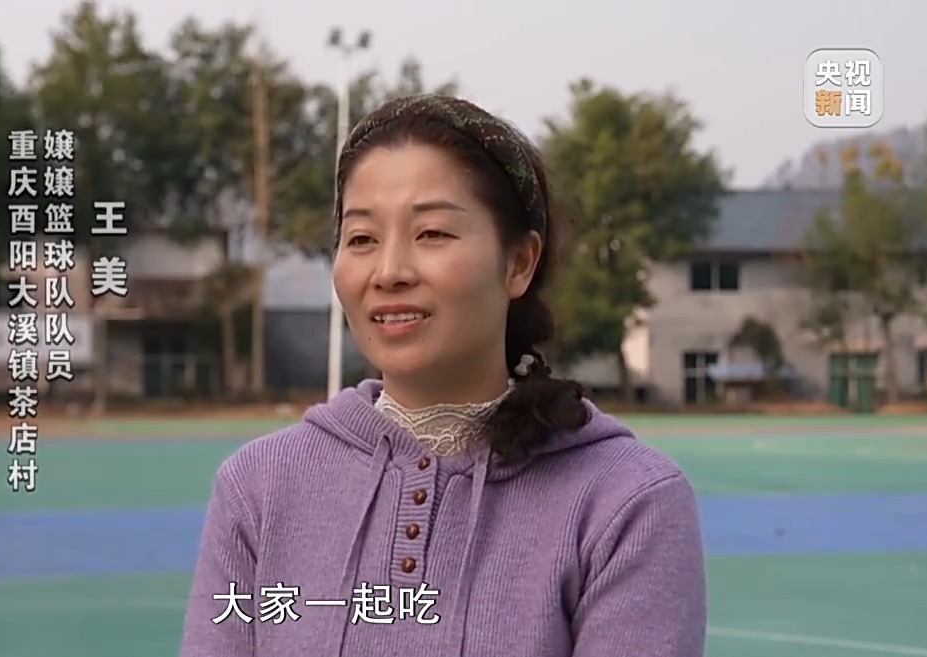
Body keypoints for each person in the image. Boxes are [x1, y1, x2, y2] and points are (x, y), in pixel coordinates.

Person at [179, 94, 706, 657]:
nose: (389, 272)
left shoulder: (627, 500)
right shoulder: (259, 487)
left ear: (519, 263)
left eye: (431, 233)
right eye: (361, 239)